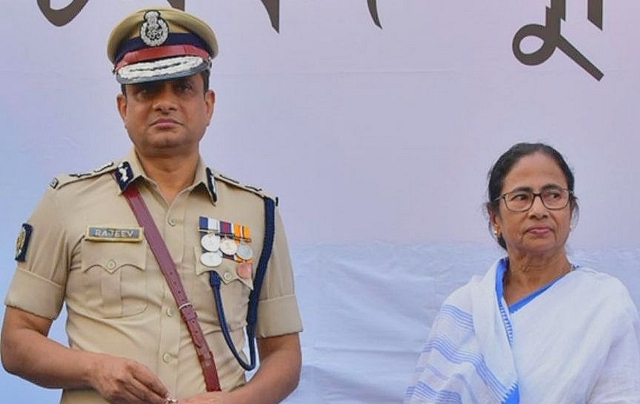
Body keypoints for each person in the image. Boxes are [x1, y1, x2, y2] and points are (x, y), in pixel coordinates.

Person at [1, 7, 302, 404]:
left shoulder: (256, 213)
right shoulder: (67, 203)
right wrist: (94, 368)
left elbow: (284, 354)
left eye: (182, 88)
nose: (165, 103)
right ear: (123, 107)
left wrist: (240, 401)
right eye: (146, 90)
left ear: (208, 104)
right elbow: (16, 341)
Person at [403, 142, 640, 403]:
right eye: (521, 197)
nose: (539, 210)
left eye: (553, 195)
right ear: (495, 218)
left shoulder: (604, 304)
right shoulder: (464, 309)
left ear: (570, 210)